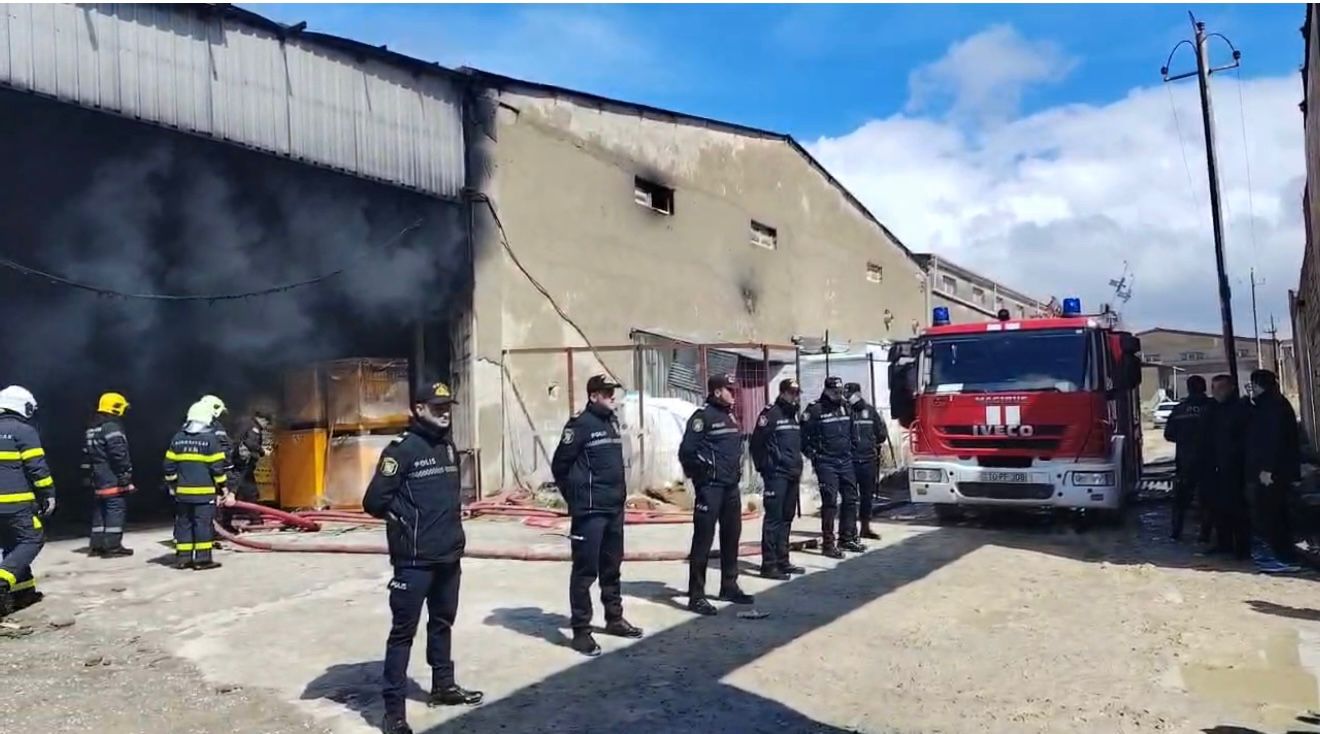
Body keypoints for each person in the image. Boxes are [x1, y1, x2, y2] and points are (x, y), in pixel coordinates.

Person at [363, 382, 482, 734]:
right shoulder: (401, 451)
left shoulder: (447, 445)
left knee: (442, 623)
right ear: (418, 408)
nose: (444, 412)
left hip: (448, 555)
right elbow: (374, 502)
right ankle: (394, 713)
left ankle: (443, 686)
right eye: (437, 407)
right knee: (403, 634)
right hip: (414, 561)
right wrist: (403, 522)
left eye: (447, 406)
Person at [551, 374, 643, 656]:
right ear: (593, 396)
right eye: (606, 393)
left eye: (613, 392)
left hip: (613, 509)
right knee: (585, 571)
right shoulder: (579, 425)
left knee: (612, 567)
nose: (612, 397)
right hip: (590, 512)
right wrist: (576, 498)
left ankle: (614, 618)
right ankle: (581, 631)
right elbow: (560, 466)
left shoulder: (611, 422)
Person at [678, 373, 753, 615]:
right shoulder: (702, 418)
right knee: (703, 540)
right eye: (730, 390)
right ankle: (696, 595)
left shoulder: (730, 416)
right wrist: (703, 475)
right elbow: (686, 452)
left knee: (731, 536)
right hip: (710, 488)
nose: (734, 394)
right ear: (717, 391)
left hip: (730, 488)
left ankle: (729, 585)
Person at [0, 385, 54, 618]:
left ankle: (23, 592)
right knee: (32, 539)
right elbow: (36, 468)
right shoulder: (23, 431)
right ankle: (2, 581)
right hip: (16, 502)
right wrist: (48, 494)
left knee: (11, 543)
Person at [1244, 369, 1302, 574]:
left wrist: (1267, 469)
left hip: (1272, 472)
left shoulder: (1272, 407)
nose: (1251, 389)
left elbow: (1272, 440)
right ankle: (1282, 555)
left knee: (1272, 515)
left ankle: (1281, 557)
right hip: (1276, 470)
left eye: (1253, 385)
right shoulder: (1270, 404)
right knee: (1273, 514)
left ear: (1259, 385)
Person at [163, 401, 232, 571]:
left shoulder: (178, 438)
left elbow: (168, 466)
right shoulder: (210, 440)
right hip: (204, 494)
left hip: (182, 494)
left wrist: (173, 484)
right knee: (202, 525)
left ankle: (183, 559)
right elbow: (217, 469)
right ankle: (202, 560)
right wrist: (223, 487)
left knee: (184, 524)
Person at [750, 378, 805, 580]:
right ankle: (769, 565)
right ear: (782, 393)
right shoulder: (770, 414)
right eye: (792, 393)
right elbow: (756, 444)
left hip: (792, 474)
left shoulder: (793, 416)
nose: (795, 397)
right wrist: (766, 468)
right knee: (773, 519)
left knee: (787, 518)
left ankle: (783, 560)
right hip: (776, 475)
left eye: (797, 393)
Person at [803, 376, 864, 558]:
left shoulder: (845, 407)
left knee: (851, 498)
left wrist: (853, 448)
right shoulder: (815, 410)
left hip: (846, 460)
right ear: (827, 391)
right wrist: (813, 455)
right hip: (826, 462)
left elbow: (853, 431)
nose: (838, 395)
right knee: (830, 503)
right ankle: (828, 544)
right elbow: (802, 436)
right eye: (835, 392)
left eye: (840, 391)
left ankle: (847, 538)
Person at [1198, 375, 1251, 559]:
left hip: (1236, 467)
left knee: (1238, 509)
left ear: (1231, 388)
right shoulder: (1211, 409)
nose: (1217, 392)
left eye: (1221, 388)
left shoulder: (1241, 409)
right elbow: (1204, 437)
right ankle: (1224, 543)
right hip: (1215, 468)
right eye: (1214, 388)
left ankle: (1242, 547)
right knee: (1218, 508)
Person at [84, 392, 136, 557]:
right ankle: (112, 546)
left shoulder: (93, 428)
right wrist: (125, 472)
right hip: (112, 476)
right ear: (116, 408)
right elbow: (118, 453)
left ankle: (97, 545)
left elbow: (87, 455)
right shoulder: (111, 427)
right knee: (115, 508)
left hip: (98, 476)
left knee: (100, 510)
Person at [1164, 376, 1212, 541]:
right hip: (1210, 461)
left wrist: (1184, 439)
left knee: (1180, 500)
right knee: (1208, 500)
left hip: (1185, 461)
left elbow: (1168, 434)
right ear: (1204, 388)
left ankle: (1176, 532)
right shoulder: (1213, 407)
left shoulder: (1179, 409)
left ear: (1188, 388)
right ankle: (1205, 535)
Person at [845, 382, 888, 541]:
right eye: (846, 395)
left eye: (850, 394)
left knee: (867, 496)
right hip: (850, 461)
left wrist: (872, 444)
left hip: (868, 460)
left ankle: (865, 527)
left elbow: (881, 433)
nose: (848, 398)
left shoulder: (870, 411)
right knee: (849, 498)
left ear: (858, 394)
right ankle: (849, 530)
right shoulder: (845, 411)